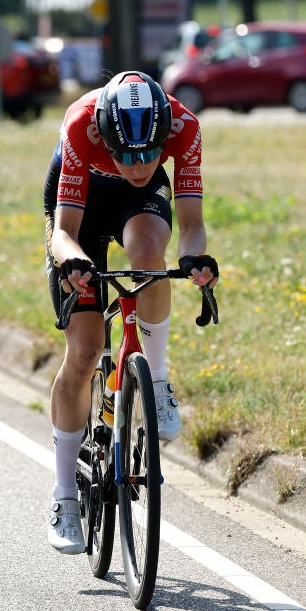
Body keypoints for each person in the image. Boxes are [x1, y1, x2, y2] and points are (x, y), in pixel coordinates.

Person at [42, 70, 218, 554]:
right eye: (127, 153)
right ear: (106, 135)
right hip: (79, 210)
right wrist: (73, 261)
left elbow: (191, 225)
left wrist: (196, 260)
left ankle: (156, 378)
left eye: (149, 153)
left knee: (149, 255)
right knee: (84, 350)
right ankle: (63, 496)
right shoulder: (82, 125)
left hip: (135, 207)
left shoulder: (184, 127)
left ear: (163, 135)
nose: (139, 164)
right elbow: (64, 232)